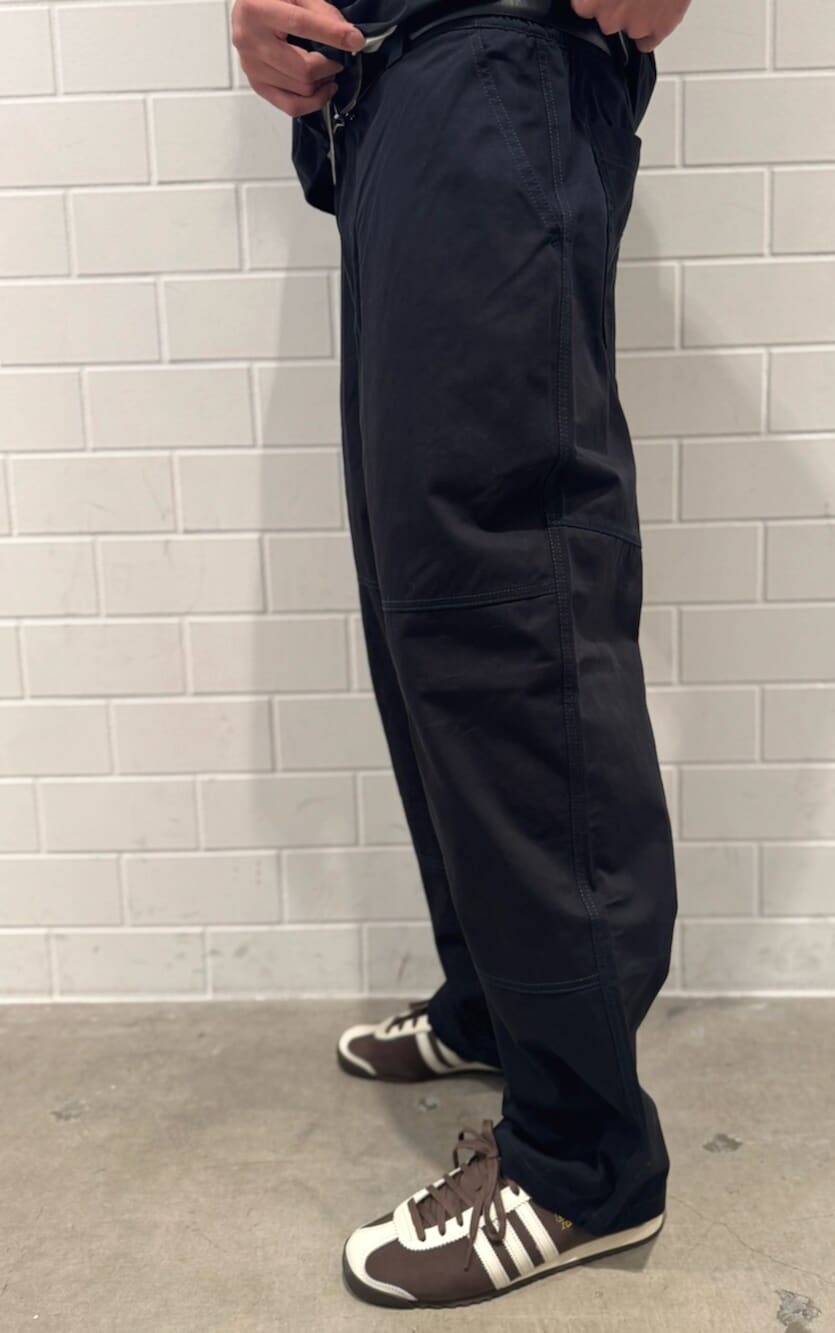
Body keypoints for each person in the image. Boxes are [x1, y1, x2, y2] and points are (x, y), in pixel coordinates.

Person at [231, 0, 691, 1309]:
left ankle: (584, 1158)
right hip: (386, 95)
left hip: (500, 58)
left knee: (508, 598)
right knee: (424, 596)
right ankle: (497, 1000)